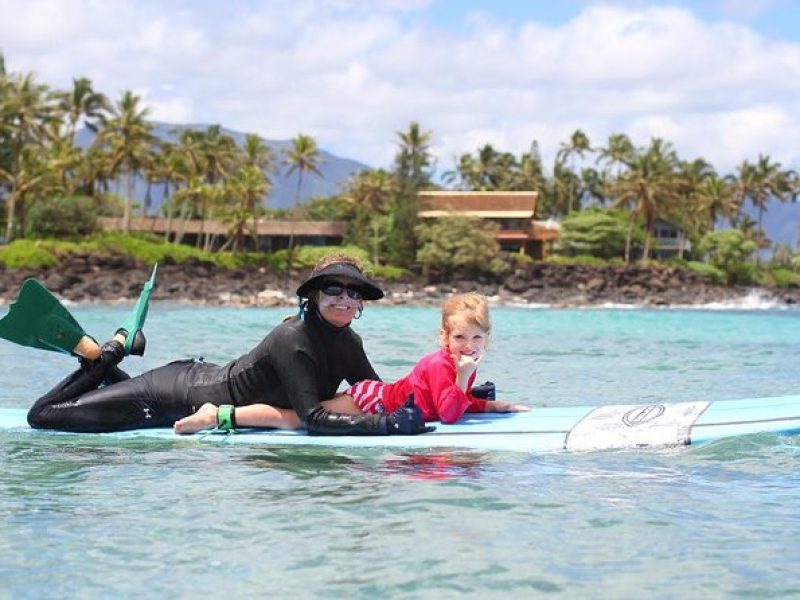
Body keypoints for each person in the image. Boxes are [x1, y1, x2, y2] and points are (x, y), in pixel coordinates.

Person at [27, 254, 432, 436]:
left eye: (353, 292)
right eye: (333, 289)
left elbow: (376, 395)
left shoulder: (349, 340)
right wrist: (386, 426)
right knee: (44, 416)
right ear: (313, 296)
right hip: (170, 396)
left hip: (196, 376)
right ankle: (110, 351)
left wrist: (454, 392)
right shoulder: (292, 338)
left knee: (108, 395)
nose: (345, 299)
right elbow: (312, 418)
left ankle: (106, 361)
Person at [174, 292, 527, 433]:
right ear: (444, 338)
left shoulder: (464, 363)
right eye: (460, 338)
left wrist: (497, 406)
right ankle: (218, 414)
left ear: (487, 340)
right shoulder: (441, 364)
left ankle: (222, 414)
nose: (468, 346)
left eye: (476, 338)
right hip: (372, 400)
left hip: (385, 398)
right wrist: (466, 380)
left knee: (297, 417)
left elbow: (452, 403)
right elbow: (450, 413)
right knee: (298, 419)